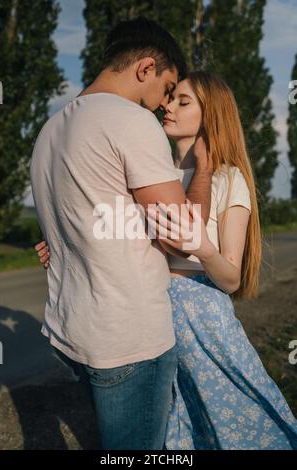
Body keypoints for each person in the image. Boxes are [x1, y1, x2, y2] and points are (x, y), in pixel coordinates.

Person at [30, 16, 213, 450]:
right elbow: (180, 237)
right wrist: (202, 171)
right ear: (145, 68)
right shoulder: (131, 121)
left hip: (71, 329)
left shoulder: (50, 130)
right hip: (128, 337)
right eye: (168, 90)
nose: (163, 105)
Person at [149, 71, 297, 450]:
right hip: (152, 319)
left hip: (207, 322)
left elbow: (230, 278)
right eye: (171, 98)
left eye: (184, 101)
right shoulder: (154, 176)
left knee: (235, 427)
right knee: (177, 430)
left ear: (210, 115)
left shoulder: (230, 179)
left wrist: (205, 249)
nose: (168, 106)